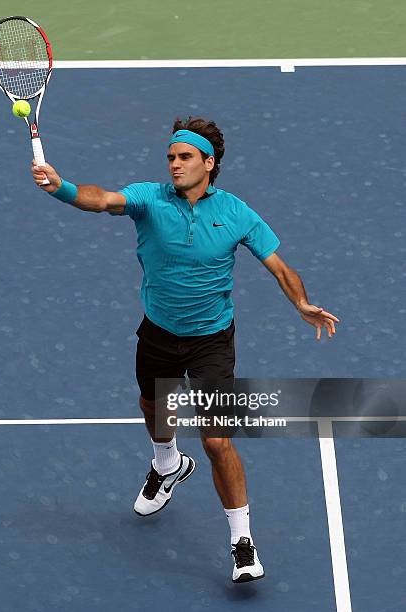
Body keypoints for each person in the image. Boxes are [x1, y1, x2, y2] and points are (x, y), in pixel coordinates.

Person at [31, 116, 340, 584]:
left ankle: (242, 543)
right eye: (171, 157)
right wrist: (61, 186)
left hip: (212, 341)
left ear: (208, 163)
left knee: (217, 441)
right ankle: (167, 466)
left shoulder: (236, 212)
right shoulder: (149, 199)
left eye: (185, 157)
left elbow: (278, 265)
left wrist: (300, 301)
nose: (174, 164)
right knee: (153, 408)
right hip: (157, 332)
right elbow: (101, 199)